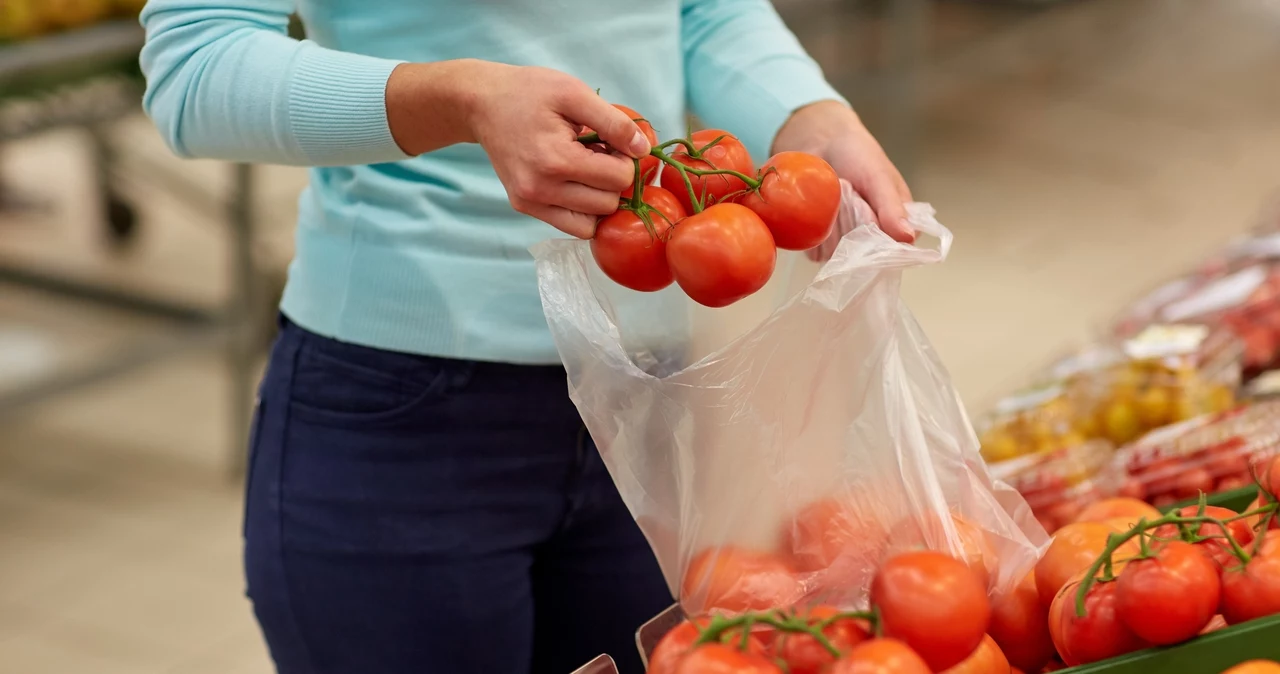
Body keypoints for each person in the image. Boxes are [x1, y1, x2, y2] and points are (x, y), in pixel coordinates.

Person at [139, 1, 914, 672]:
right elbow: (196, 63)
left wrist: (808, 116)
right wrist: (459, 98)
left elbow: (698, 10)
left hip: (639, 403)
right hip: (402, 412)